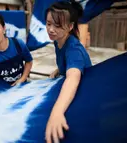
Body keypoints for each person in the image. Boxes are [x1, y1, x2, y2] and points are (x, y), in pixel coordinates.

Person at [44, 1, 92, 143]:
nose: (51, 29)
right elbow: (68, 64)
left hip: (85, 93)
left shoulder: (74, 49)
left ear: (70, 26)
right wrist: (59, 69)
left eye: (58, 25)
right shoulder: (58, 39)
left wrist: (57, 112)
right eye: (48, 23)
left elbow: (73, 77)